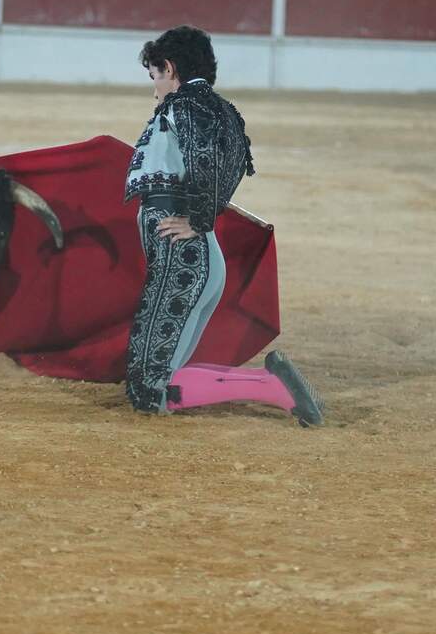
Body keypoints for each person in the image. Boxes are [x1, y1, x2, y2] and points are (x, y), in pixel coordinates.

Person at [122, 27, 322, 422]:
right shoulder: (219, 108)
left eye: (155, 76)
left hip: (183, 258)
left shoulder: (185, 106)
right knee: (160, 379)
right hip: (197, 257)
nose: (154, 87)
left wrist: (197, 218)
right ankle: (270, 386)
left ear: (170, 67)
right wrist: (204, 218)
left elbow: (207, 162)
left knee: (149, 388)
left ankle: (271, 387)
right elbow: (228, 168)